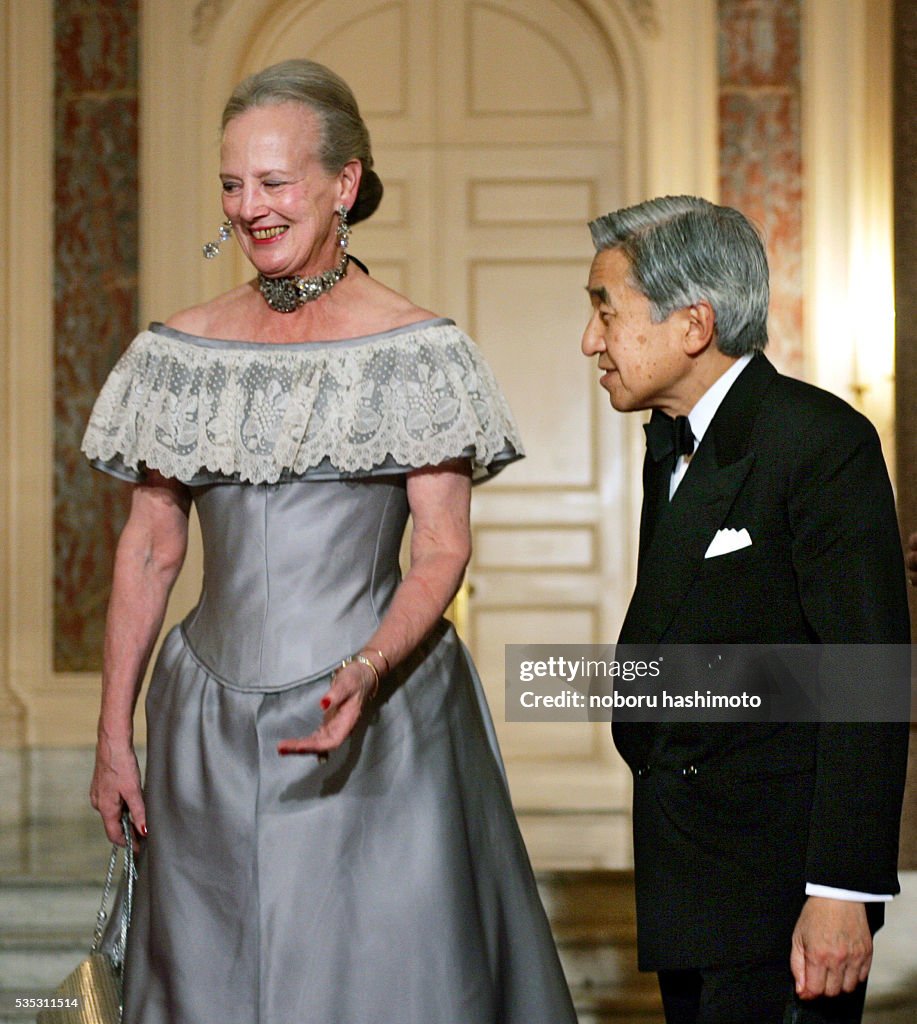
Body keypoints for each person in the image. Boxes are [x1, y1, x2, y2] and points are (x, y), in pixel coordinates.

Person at [82, 58, 577, 1024]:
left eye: (275, 182)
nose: (249, 208)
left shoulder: (416, 351)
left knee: (381, 983)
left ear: (343, 185)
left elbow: (439, 547)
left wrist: (369, 664)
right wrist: (112, 735)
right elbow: (149, 547)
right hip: (204, 731)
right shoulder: (178, 352)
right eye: (232, 185)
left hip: (379, 712)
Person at [580, 195, 910, 1024]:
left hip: (782, 900)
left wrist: (838, 890)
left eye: (605, 311)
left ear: (692, 325)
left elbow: (866, 679)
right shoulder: (671, 448)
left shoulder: (819, 442)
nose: (592, 341)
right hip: (693, 881)